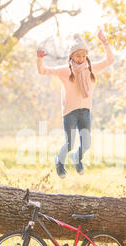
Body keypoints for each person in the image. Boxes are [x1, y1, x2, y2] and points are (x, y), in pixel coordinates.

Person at [37, 30, 115, 178]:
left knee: (86, 144)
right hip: (70, 112)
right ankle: (59, 162)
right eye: (78, 56)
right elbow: (43, 71)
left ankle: (76, 158)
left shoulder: (91, 69)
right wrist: (40, 59)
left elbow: (109, 60)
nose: (81, 58)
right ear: (71, 56)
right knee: (69, 143)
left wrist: (105, 42)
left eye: (84, 55)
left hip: (85, 111)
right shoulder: (65, 71)